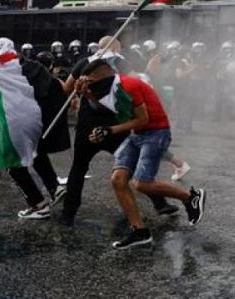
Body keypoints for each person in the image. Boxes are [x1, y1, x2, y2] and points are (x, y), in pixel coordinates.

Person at [77, 59, 205, 249]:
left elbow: (143, 120)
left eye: (90, 81)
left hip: (156, 132)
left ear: (102, 75)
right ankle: (140, 232)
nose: (89, 85)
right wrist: (87, 95)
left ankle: (191, 197)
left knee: (142, 183)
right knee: (118, 180)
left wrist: (110, 130)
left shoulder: (128, 86)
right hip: (137, 134)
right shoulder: (109, 87)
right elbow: (111, 108)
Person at [60, 37, 179, 225]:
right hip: (115, 123)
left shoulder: (84, 63)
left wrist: (79, 94)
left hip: (87, 123)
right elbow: (135, 82)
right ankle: (160, 203)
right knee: (132, 163)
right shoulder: (120, 62)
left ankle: (68, 214)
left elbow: (66, 89)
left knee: (79, 168)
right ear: (115, 46)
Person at [0, 38, 70, 219]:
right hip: (35, 116)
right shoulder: (30, 66)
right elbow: (55, 84)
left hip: (14, 120)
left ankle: (39, 205)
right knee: (35, 151)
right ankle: (55, 187)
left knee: (12, 163)